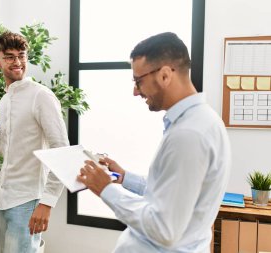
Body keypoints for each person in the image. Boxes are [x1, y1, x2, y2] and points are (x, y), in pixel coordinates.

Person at [77, 32, 231, 252]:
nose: (134, 91)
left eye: (139, 81)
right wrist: (125, 178)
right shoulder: (199, 122)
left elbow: (164, 229)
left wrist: (106, 189)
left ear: (166, 75)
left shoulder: (189, 134)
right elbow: (172, 194)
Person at [0, 31, 69, 253]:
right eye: (10, 56)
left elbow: (62, 152)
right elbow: (3, 148)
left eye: (22, 55)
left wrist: (46, 203)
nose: (18, 62)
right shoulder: (5, 100)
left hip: (29, 200)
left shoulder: (41, 96)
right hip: (5, 199)